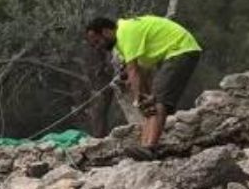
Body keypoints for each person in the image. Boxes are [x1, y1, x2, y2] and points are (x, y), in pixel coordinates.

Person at [83, 15, 203, 148]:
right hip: (173, 53)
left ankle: (150, 147)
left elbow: (133, 70)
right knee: (149, 104)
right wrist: (141, 95)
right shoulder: (121, 42)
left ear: (105, 31)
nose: (97, 47)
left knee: (158, 102)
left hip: (181, 50)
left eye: (97, 42)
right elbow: (139, 72)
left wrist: (137, 99)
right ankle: (144, 145)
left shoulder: (125, 32)